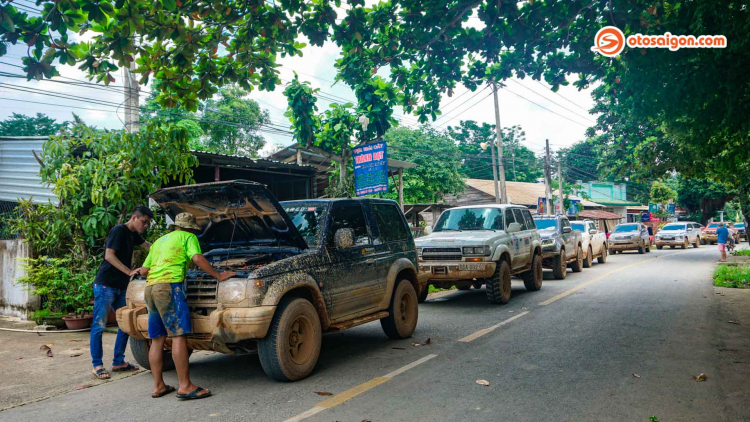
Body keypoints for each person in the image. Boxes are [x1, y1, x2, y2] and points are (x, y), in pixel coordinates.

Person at [137, 212, 235, 400]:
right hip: (169, 287)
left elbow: (144, 270)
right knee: (178, 336)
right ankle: (185, 386)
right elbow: (197, 259)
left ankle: (158, 386)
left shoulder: (159, 241)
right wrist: (219, 275)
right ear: (191, 227)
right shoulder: (188, 237)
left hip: (150, 288)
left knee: (157, 339)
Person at [91, 206, 153, 380]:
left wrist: (165, 249)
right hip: (105, 285)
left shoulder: (133, 234)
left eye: (148, 222)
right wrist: (128, 271)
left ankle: (118, 362)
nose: (146, 225)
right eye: (144, 221)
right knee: (99, 326)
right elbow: (109, 256)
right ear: (134, 217)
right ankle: (97, 365)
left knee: (127, 322)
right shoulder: (118, 230)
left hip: (120, 287)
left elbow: (148, 246)